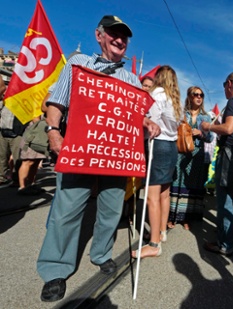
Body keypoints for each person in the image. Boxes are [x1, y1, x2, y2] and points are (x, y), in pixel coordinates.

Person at [36, 15, 161, 302]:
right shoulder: (77, 65)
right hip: (81, 151)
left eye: (124, 36)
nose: (120, 40)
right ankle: (55, 268)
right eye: (114, 34)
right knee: (66, 209)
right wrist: (54, 131)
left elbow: (135, 115)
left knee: (111, 209)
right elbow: (57, 101)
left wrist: (147, 123)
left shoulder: (131, 78)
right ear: (99, 35)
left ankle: (102, 253)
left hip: (115, 155)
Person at [131, 65, 181, 259]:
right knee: (164, 193)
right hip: (171, 146)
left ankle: (153, 244)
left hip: (157, 145)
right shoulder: (175, 100)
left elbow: (150, 122)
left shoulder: (157, 95)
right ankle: (161, 231)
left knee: (152, 195)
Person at [201, 72, 233, 256]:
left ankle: (224, 243)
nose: (224, 88)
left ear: (229, 84)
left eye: (224, 84)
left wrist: (208, 127)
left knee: (225, 200)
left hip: (231, 156)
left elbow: (228, 128)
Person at [169, 86, 214, 230]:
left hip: (197, 155)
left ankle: (187, 217)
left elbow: (210, 138)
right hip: (180, 153)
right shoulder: (181, 113)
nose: (199, 97)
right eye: (196, 94)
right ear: (189, 96)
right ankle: (172, 216)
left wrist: (200, 134)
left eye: (201, 95)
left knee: (192, 185)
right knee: (177, 182)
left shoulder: (206, 117)